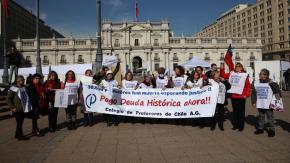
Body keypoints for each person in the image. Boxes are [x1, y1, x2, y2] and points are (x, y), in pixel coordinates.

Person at [221, 62, 251, 131]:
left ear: (241, 67)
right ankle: (235, 125)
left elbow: (248, 86)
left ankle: (241, 126)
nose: (237, 67)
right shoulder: (232, 74)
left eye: (239, 66)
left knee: (241, 112)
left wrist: (247, 94)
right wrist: (222, 68)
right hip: (234, 96)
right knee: (235, 111)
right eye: (236, 66)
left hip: (241, 96)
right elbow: (223, 75)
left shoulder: (244, 75)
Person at [252, 69, 281, 137]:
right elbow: (253, 92)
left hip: (268, 104)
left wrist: (272, 83)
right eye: (261, 74)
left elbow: (277, 90)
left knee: (270, 117)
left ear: (267, 75)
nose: (262, 75)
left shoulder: (271, 82)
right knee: (261, 117)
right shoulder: (256, 82)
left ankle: (271, 130)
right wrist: (253, 101)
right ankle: (260, 128)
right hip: (260, 103)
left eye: (264, 74)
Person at [6, 75, 31, 140]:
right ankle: (20, 136)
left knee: (20, 122)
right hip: (17, 109)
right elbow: (8, 99)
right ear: (18, 81)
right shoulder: (13, 88)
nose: (23, 81)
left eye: (23, 80)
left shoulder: (24, 87)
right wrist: (12, 107)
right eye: (22, 80)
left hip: (23, 108)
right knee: (19, 122)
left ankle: (17, 134)